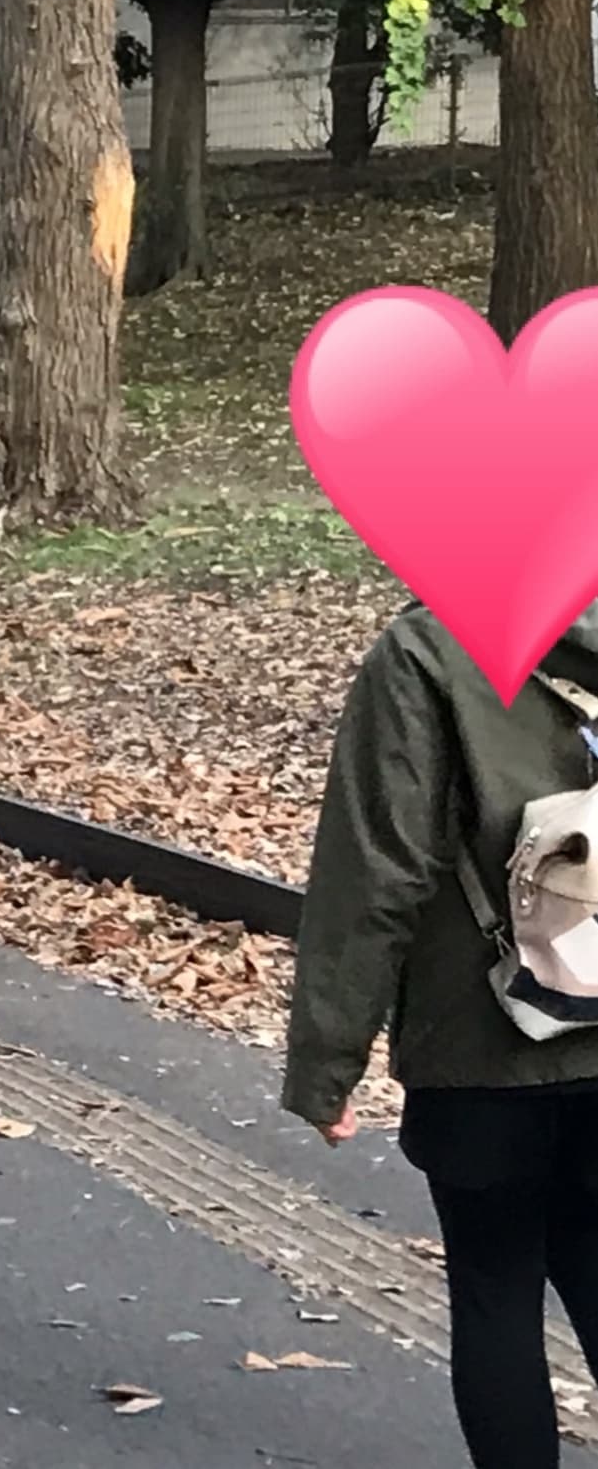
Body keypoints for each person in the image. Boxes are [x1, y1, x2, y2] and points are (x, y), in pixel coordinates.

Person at [286, 600, 598, 1469]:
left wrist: (326, 1058)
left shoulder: (427, 649)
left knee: (495, 1287)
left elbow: (376, 868)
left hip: (479, 1028)